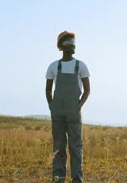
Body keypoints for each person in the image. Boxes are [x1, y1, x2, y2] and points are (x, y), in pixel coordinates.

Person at [46, 31, 90, 183]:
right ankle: (58, 179)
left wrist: (78, 106)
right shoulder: (53, 66)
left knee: (75, 148)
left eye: (74, 44)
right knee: (58, 148)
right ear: (62, 47)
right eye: (70, 44)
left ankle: (77, 180)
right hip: (57, 112)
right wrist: (52, 107)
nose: (73, 47)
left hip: (74, 112)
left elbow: (87, 90)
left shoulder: (81, 66)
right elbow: (48, 90)